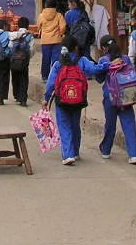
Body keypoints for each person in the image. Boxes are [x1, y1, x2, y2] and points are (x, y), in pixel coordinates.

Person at [42, 34, 100, 165]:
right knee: (75, 126)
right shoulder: (82, 61)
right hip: (78, 100)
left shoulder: (58, 64)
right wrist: (108, 64)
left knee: (64, 127)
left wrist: (46, 98)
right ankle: (75, 152)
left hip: (61, 100)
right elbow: (94, 69)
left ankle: (68, 154)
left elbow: (51, 83)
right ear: (76, 48)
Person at [95, 35, 136, 164]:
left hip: (110, 97)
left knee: (110, 124)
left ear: (104, 48)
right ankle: (133, 154)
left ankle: (106, 151)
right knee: (129, 123)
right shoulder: (125, 58)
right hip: (126, 96)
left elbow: (99, 79)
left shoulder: (103, 60)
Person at [36, 0, 67, 81]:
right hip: (56, 40)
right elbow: (63, 26)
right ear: (55, 5)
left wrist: (41, 31)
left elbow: (38, 26)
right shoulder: (59, 15)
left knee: (46, 58)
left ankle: (45, 76)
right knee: (56, 59)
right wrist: (60, 34)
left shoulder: (41, 15)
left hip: (45, 40)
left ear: (46, 5)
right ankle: (55, 76)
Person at [8, 17, 33, 106]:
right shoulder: (29, 36)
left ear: (18, 25)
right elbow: (31, 49)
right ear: (27, 25)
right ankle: (23, 99)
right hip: (24, 61)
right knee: (24, 79)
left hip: (14, 60)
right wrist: (28, 57)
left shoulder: (14, 35)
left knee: (15, 78)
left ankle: (17, 96)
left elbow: (10, 47)